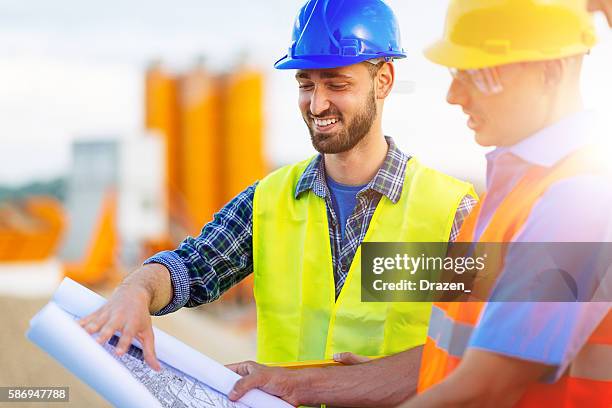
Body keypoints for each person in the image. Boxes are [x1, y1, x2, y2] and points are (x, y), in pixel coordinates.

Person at [79, 0, 476, 406]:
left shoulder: (448, 211)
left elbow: (479, 352)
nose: (317, 105)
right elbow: (192, 267)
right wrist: (137, 289)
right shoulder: (269, 201)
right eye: (306, 85)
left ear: (384, 81)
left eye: (336, 84)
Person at [396, 0, 612, 406]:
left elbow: (484, 390)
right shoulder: (507, 193)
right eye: (455, 72)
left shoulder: (579, 197)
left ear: (550, 72)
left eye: (477, 74)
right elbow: (454, 360)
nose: (453, 95)